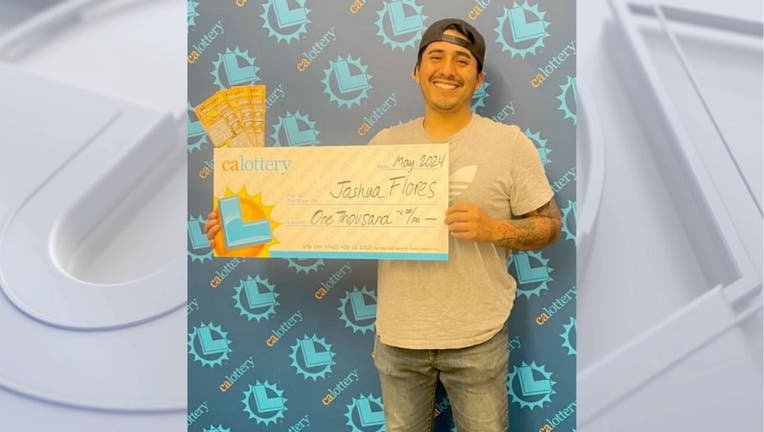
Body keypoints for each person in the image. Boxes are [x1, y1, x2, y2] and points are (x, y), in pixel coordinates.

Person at [205, 18, 561, 432]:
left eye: (462, 61)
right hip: (398, 340)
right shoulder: (385, 145)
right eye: (436, 57)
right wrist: (240, 223)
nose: (447, 69)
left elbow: (550, 224)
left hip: (477, 338)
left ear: (479, 78)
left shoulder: (509, 143)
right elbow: (327, 215)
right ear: (417, 71)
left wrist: (495, 230)